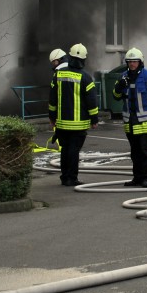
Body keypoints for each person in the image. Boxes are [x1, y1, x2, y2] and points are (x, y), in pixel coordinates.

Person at [113, 47, 147, 188]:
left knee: (145, 152)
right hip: (129, 122)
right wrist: (119, 87)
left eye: (135, 61)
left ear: (140, 62)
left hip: (145, 122)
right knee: (135, 153)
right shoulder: (123, 77)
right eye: (129, 62)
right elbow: (116, 97)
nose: (132, 64)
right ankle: (137, 178)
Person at [48, 43, 99, 187]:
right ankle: (72, 178)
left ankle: (64, 177)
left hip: (62, 122)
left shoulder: (58, 75)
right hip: (79, 124)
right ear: (83, 60)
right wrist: (94, 119)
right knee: (74, 151)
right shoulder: (86, 78)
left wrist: (52, 117)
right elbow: (92, 102)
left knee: (65, 149)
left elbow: (52, 99)